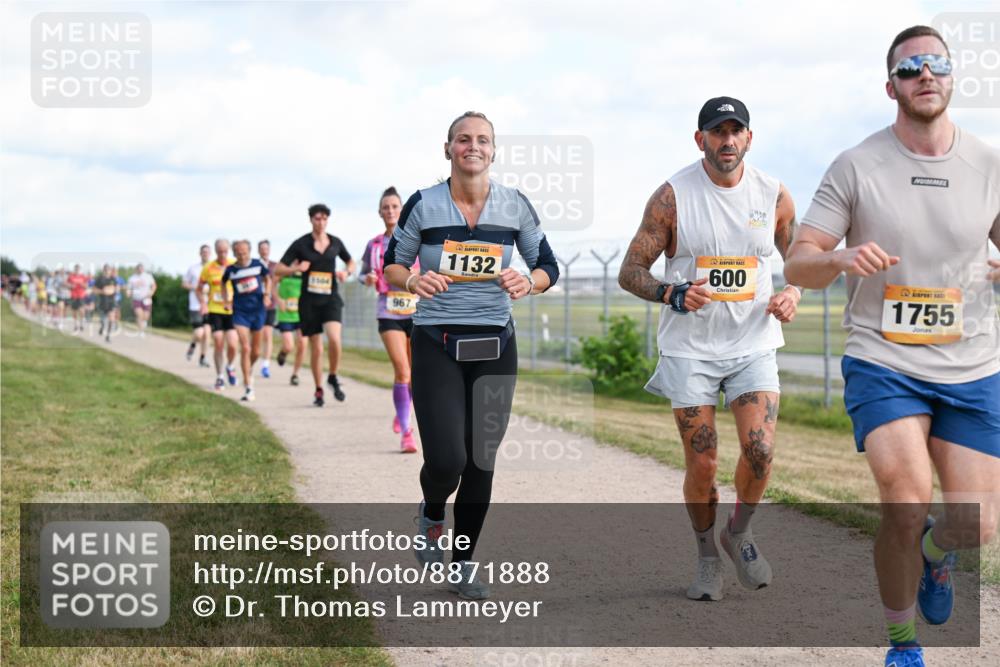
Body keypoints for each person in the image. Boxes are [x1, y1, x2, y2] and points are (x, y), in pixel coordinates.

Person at [783, 26, 1000, 667]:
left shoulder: (989, 164)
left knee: (978, 524)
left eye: (936, 64)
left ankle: (940, 555)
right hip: (885, 359)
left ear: (952, 78)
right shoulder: (857, 165)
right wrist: (842, 256)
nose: (925, 74)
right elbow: (798, 263)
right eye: (911, 68)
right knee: (904, 504)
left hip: (973, 363)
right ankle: (902, 646)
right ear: (892, 86)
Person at [618, 97, 800, 603]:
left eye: (735, 130)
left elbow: (802, 259)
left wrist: (793, 291)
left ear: (748, 137)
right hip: (690, 350)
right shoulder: (672, 197)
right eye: (716, 132)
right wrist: (672, 292)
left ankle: (737, 532)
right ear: (700, 140)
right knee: (702, 464)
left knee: (760, 452)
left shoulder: (774, 194)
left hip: (753, 344)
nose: (727, 140)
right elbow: (630, 271)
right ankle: (705, 558)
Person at [383, 111, 559, 599]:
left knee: (481, 460)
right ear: (448, 149)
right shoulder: (424, 203)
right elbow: (392, 265)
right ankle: (432, 511)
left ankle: (462, 564)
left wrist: (529, 281)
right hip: (436, 341)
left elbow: (548, 265)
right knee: (447, 460)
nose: (473, 146)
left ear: (494, 151)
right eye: (464, 139)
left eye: (483, 140)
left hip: (495, 344)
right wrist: (415, 279)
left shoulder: (515, 205)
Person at [275, 204, 356, 407]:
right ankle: (319, 389)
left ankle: (333, 376)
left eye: (324, 219)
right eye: (316, 218)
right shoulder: (301, 244)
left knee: (335, 339)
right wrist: (295, 267)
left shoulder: (335, 242)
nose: (320, 222)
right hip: (309, 302)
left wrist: (346, 273)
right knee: (317, 349)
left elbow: (350, 262)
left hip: (330, 299)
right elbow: (278, 269)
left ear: (327, 220)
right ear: (311, 220)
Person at [360, 186, 421, 453]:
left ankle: (402, 410)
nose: (391, 211)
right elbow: (362, 274)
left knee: (415, 375)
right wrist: (368, 278)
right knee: (403, 371)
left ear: (402, 210)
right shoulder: (374, 245)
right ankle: (407, 433)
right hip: (389, 313)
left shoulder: (415, 240)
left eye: (395, 206)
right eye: (386, 207)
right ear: (379, 212)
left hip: (417, 313)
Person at [222, 240, 272, 402]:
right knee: (245, 347)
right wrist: (226, 301)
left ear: (249, 251)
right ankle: (248, 386)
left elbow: (268, 279)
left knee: (256, 351)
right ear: (234, 253)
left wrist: (266, 295)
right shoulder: (231, 270)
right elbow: (223, 283)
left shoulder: (258, 265)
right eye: (238, 253)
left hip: (257, 310)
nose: (242, 256)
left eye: (245, 252)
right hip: (240, 311)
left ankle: (247, 369)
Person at [198, 239, 239, 391]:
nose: (222, 254)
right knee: (218, 341)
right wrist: (202, 303)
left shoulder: (234, 265)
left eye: (225, 251)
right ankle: (220, 376)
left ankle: (230, 366)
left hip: (232, 310)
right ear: (215, 251)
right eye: (220, 251)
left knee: (233, 344)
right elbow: (199, 288)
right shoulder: (209, 268)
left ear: (228, 251)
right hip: (215, 309)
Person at [274, 271, 306, 386]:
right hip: (286, 314)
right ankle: (283, 353)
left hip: (302, 313)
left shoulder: (307, 270)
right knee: (289, 346)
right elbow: (271, 283)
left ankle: (295, 374)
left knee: (302, 344)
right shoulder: (284, 269)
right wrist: (278, 299)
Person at [182, 245, 212, 367]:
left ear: (210, 254)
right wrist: (196, 288)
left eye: (207, 252)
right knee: (199, 333)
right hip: (195, 305)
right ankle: (193, 344)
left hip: (210, 305)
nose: (205, 254)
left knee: (207, 332)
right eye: (203, 252)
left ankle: (203, 358)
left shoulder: (213, 268)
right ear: (200, 253)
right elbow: (184, 284)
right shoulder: (193, 269)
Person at [257, 240, 278, 379]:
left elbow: (278, 282)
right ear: (259, 250)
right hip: (256, 304)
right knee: (257, 335)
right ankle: (253, 357)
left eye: (266, 248)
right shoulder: (254, 265)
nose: (264, 251)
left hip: (270, 304)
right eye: (262, 249)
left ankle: (265, 365)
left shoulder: (275, 266)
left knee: (268, 334)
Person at [127, 263, 157, 337]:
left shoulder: (148, 276)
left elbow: (154, 285)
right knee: (139, 314)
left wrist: (152, 292)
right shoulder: (132, 278)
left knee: (146, 316)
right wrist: (128, 293)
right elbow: (129, 288)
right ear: (136, 269)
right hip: (136, 299)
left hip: (146, 299)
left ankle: (144, 323)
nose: (140, 270)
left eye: (141, 268)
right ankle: (141, 331)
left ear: (143, 269)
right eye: (139, 268)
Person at [93, 264, 117, 343]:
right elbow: (94, 290)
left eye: (108, 270)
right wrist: (102, 291)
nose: (107, 271)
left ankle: (108, 336)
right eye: (106, 270)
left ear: (110, 271)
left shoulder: (113, 279)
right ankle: (102, 327)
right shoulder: (99, 279)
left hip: (111, 301)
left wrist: (112, 290)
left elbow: (116, 288)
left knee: (111, 318)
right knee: (103, 319)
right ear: (103, 270)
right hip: (103, 301)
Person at [66, 264, 89, 333]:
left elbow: (86, 286)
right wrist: (70, 286)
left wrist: (83, 285)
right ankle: (76, 324)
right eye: (76, 269)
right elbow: (66, 284)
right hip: (73, 295)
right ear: (74, 269)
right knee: (74, 311)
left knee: (82, 310)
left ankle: (81, 323)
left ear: (80, 270)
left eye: (78, 269)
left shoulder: (83, 276)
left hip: (81, 295)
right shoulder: (71, 277)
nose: (77, 270)